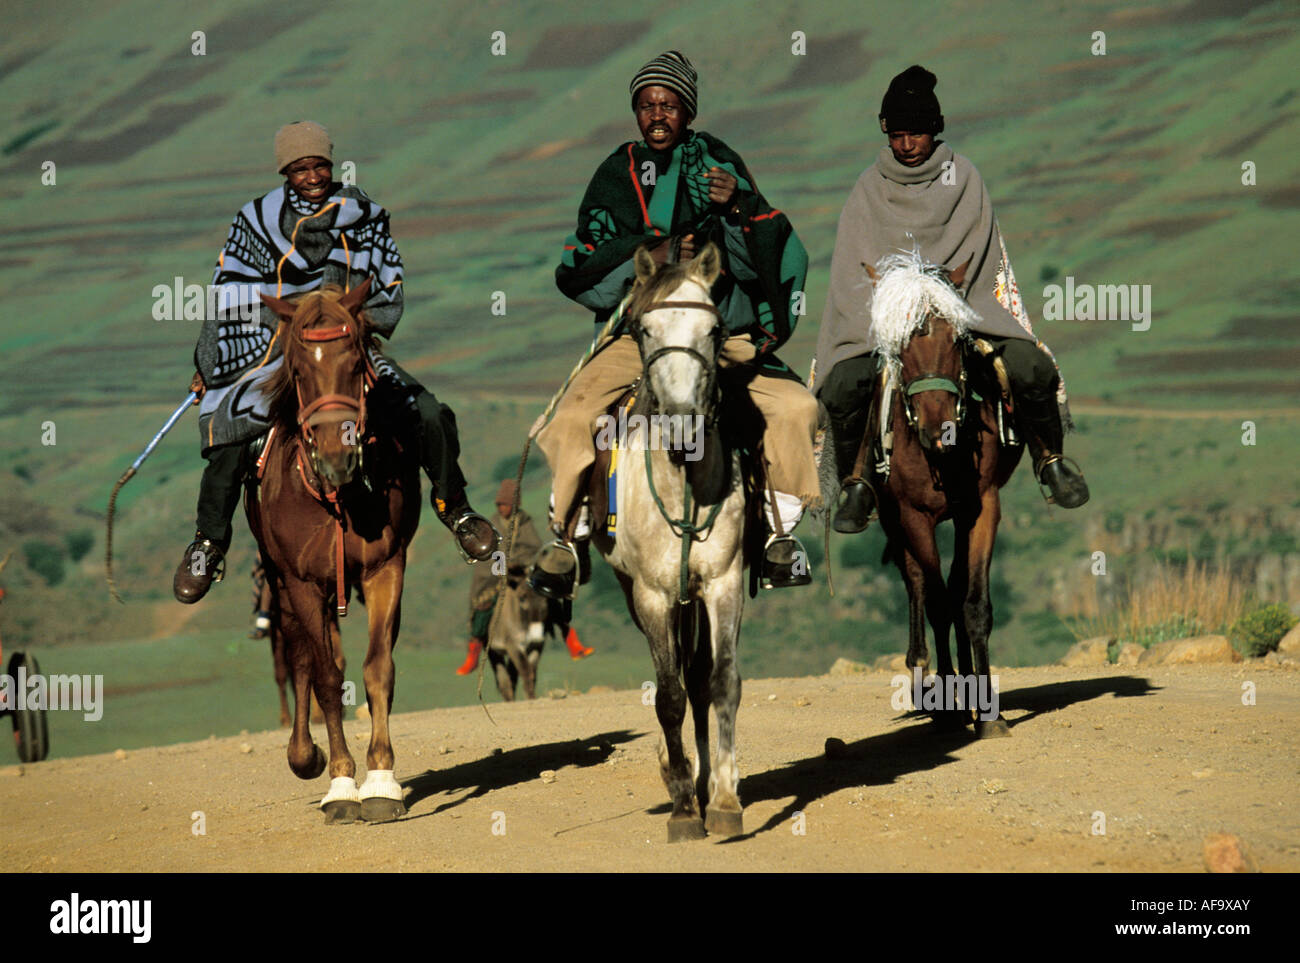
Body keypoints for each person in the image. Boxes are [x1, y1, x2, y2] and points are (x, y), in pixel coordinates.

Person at [531, 51, 821, 599]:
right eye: (646, 105)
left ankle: (780, 533)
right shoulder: (615, 174)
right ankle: (568, 535)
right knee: (571, 417)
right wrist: (656, 251)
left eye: (668, 104)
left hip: (716, 333)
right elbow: (580, 262)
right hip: (635, 337)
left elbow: (769, 241)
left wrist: (736, 208)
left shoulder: (719, 162)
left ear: (688, 111)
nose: (657, 114)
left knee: (798, 408)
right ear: (636, 113)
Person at [173, 121, 500, 604]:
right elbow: (228, 290)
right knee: (232, 434)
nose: (312, 176)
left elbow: (386, 281)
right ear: (285, 171)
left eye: (319, 165)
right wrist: (212, 362)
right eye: (300, 168)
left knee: (427, 412)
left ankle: (458, 509)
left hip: (345, 346)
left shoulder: (362, 214)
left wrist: (347, 323)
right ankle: (208, 543)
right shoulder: (255, 221)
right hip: (277, 349)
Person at [815, 65, 1089, 533]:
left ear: (934, 130)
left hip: (963, 313)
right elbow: (855, 268)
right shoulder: (868, 187)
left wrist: (941, 299)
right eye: (897, 134)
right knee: (845, 385)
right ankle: (857, 482)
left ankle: (1050, 459)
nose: (906, 145)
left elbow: (979, 254)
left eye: (916, 133)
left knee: (1030, 366)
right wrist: (897, 305)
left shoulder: (963, 178)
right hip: (888, 323)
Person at [456, 480, 592, 675]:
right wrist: (504, 566)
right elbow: (488, 555)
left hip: (525, 575)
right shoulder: (491, 524)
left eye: (506, 504)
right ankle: (474, 653)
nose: (502, 508)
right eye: (499, 504)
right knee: (482, 606)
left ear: (515, 504)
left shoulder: (525, 522)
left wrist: (522, 564)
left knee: (549, 597)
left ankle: (572, 641)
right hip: (497, 577)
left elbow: (534, 549)